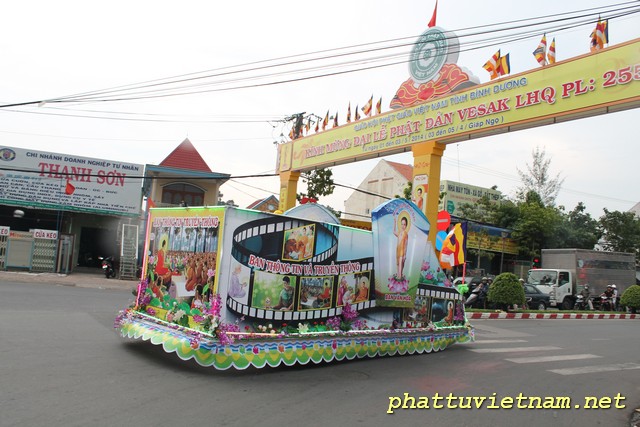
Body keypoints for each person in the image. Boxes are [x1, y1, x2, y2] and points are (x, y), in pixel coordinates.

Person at [393, 215, 409, 279]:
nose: (403, 226)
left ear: (406, 225)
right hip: (398, 251)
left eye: (404, 224)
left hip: (402, 253)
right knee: (398, 265)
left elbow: (406, 245)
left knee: (400, 268)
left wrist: (404, 255)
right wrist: (395, 222)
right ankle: (398, 278)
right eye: (402, 224)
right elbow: (394, 232)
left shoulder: (406, 234)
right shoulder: (399, 233)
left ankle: (399, 278)